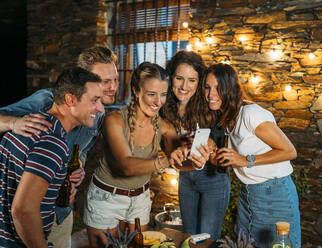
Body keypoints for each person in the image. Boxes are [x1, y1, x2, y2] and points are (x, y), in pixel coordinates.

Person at [0, 45, 119, 248]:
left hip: (58, 212)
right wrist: (13, 123)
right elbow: (22, 210)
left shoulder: (96, 114)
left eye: (115, 79)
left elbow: (80, 153)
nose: (113, 87)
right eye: (105, 81)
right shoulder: (46, 103)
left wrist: (76, 170)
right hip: (26, 215)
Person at [83, 61, 209, 248]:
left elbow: (179, 162)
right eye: (151, 94)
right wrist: (165, 160)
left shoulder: (164, 126)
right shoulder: (114, 121)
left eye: (163, 94)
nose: (158, 101)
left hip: (139, 200)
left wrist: (197, 162)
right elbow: (126, 166)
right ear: (136, 90)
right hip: (106, 199)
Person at [201, 63, 301, 248]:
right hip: (248, 195)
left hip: (274, 193)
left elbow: (289, 151)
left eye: (218, 88)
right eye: (207, 87)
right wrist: (215, 158)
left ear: (230, 89)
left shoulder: (251, 114)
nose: (211, 94)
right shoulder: (225, 118)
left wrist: (245, 160)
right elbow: (235, 159)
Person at [160, 51, 230, 240]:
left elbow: (220, 134)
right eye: (179, 78)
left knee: (206, 239)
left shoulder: (210, 105)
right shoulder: (164, 107)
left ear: (199, 83)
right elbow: (168, 149)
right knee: (189, 236)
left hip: (212, 178)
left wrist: (211, 144)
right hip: (185, 178)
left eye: (192, 80)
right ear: (171, 78)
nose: (184, 86)